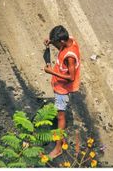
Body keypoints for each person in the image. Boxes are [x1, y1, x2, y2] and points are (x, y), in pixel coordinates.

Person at [43, 25, 81, 159]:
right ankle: (61, 139)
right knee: (59, 114)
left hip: (62, 89)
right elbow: (61, 46)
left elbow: (71, 77)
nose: (57, 45)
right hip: (59, 85)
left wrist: (51, 71)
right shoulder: (70, 39)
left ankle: (58, 148)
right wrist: (51, 42)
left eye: (57, 42)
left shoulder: (70, 57)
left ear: (63, 42)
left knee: (60, 117)